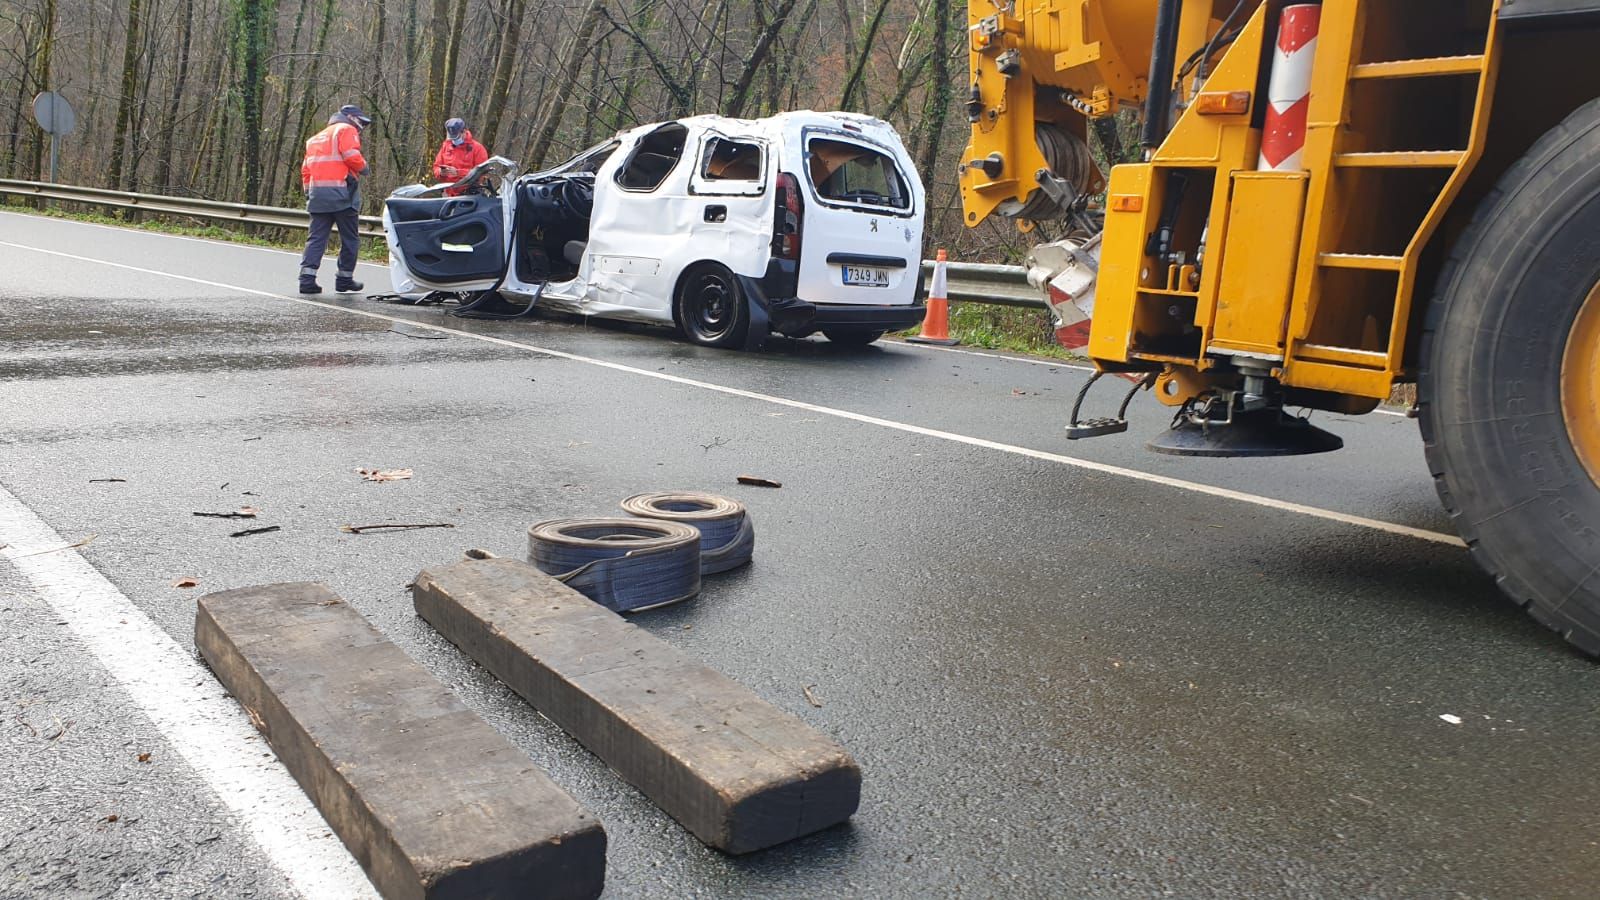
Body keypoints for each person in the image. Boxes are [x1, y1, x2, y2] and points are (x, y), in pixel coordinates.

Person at [298, 104, 371, 295]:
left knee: (316, 238)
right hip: (342, 194)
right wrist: (364, 168)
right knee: (350, 238)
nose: (361, 127)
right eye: (361, 122)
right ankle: (344, 279)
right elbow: (351, 155)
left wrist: (309, 193)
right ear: (352, 118)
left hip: (318, 195)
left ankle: (307, 279)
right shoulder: (346, 129)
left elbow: (306, 170)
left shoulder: (315, 138)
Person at [432, 118, 489, 197]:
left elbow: (481, 173)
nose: (454, 140)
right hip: (448, 194)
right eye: (452, 137)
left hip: (469, 195)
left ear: (464, 131)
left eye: (456, 137)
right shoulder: (446, 146)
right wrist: (440, 172)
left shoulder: (478, 149)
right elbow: (436, 167)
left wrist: (458, 173)